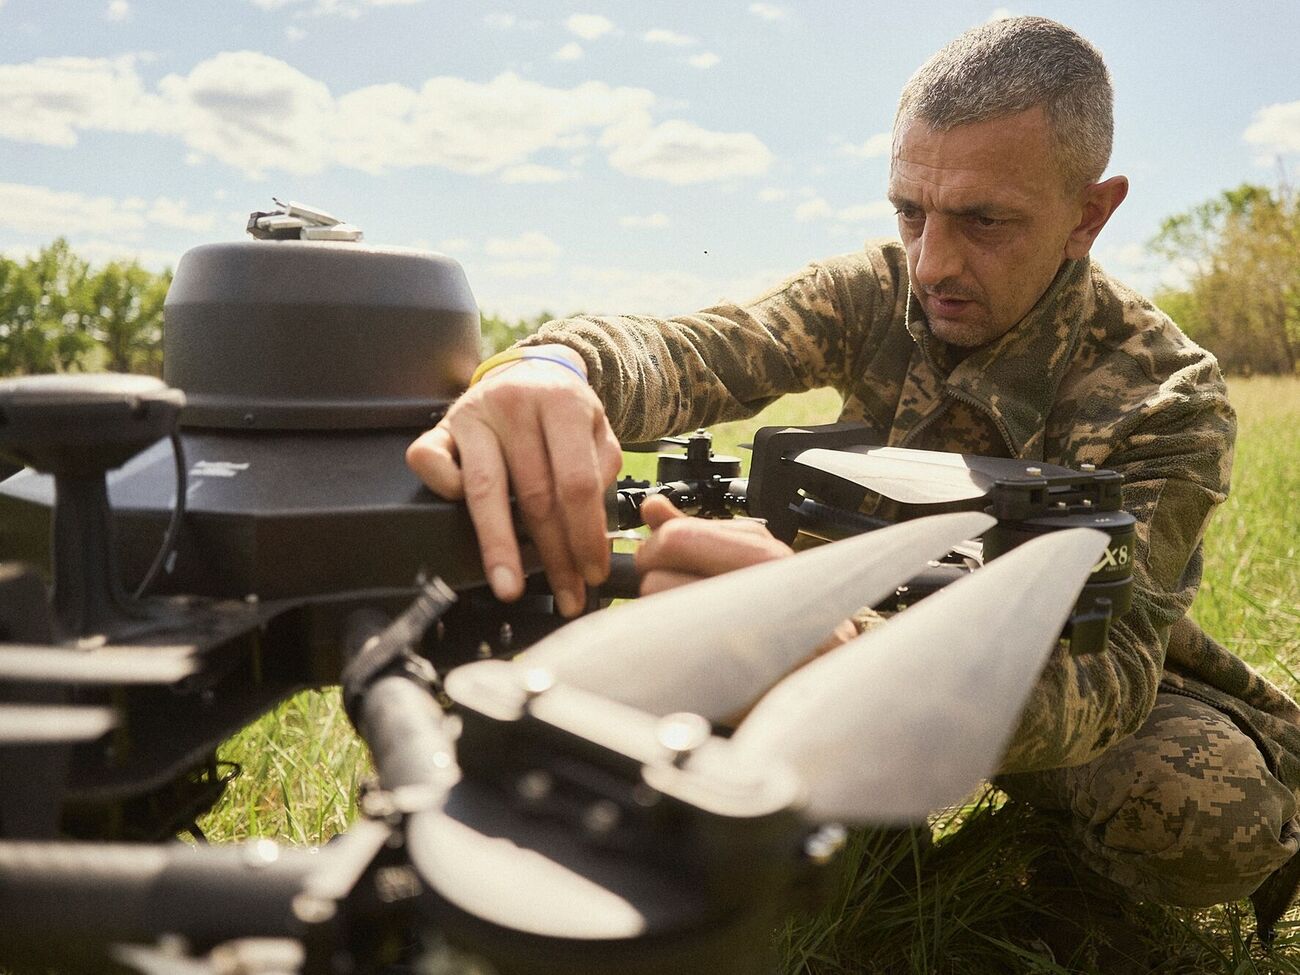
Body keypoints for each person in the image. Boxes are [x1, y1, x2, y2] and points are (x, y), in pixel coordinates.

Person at [408, 16, 1300, 929]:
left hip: (1042, 677)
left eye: (985, 221)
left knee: (1205, 810)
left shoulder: (1168, 396)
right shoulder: (874, 290)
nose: (933, 263)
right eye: (910, 211)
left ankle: (1061, 875)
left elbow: (1109, 678)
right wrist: (552, 367)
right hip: (837, 623)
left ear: (1088, 214)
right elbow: (697, 350)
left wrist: (857, 657)